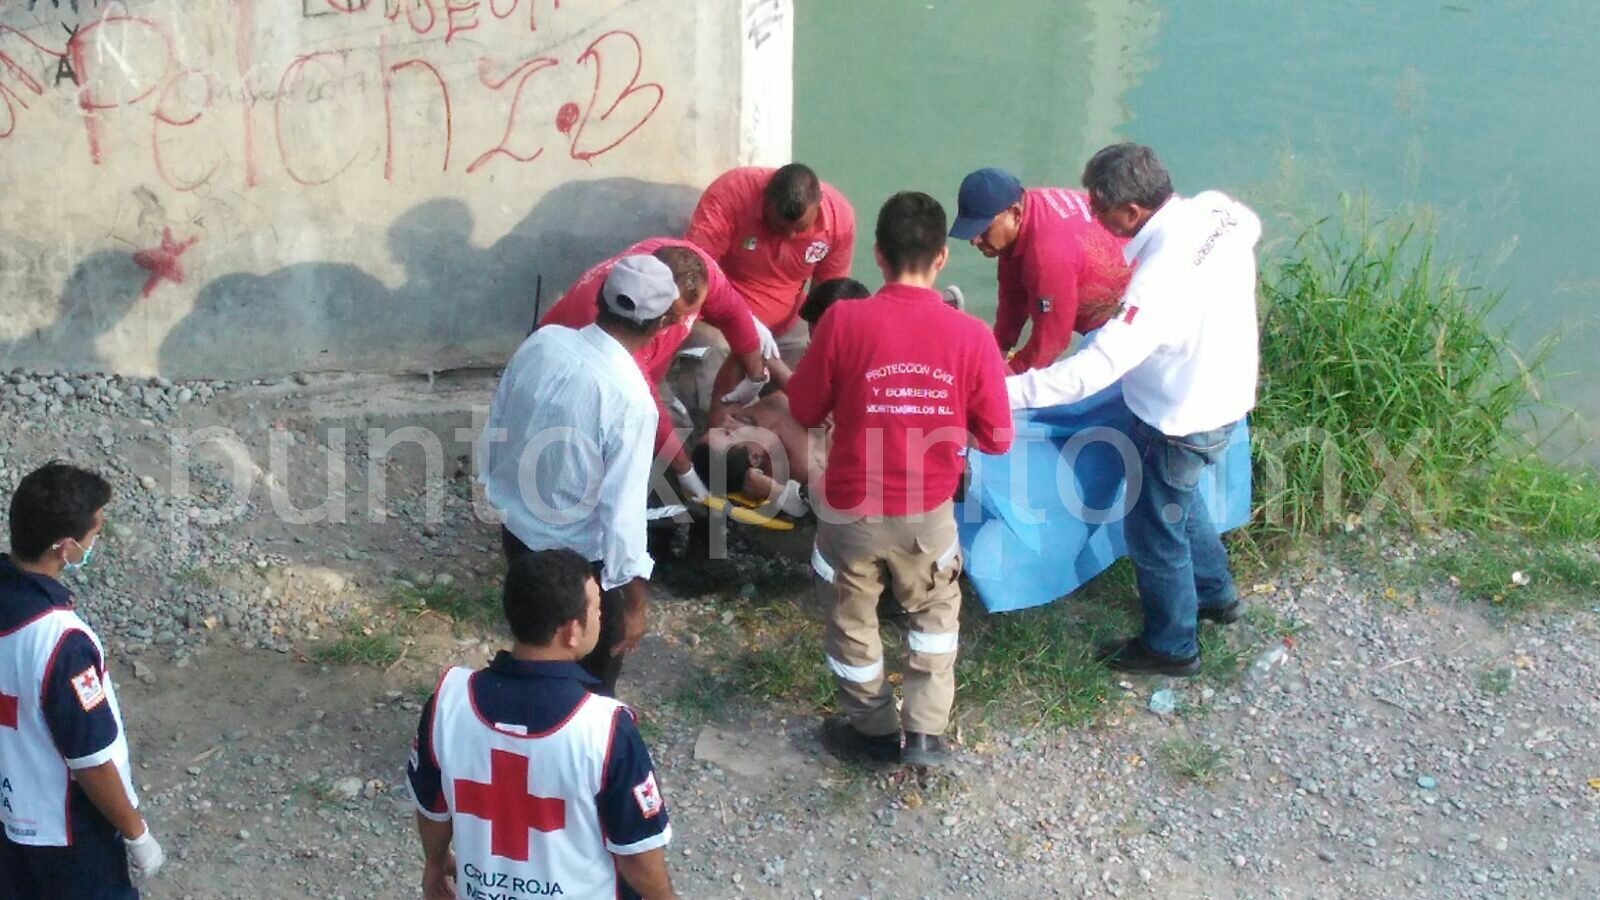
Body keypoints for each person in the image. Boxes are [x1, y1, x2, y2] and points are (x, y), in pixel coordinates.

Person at [1007, 143, 1261, 676]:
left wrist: (1005, 393)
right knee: (1181, 500)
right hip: (1229, 394)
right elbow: (1250, 222)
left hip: (1177, 419)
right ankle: (1217, 596)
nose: (1093, 219)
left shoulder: (1156, 282)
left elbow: (1091, 370)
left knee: (1154, 528)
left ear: (1132, 213)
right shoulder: (1217, 213)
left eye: (1099, 211)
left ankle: (1172, 647)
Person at [786, 192, 1013, 768]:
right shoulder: (971, 337)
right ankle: (926, 732)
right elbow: (997, 437)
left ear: (878, 257)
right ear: (942, 258)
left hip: (849, 514)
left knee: (851, 619)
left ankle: (872, 728)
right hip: (927, 517)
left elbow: (806, 409)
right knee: (935, 615)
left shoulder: (842, 320)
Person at [407, 549, 675, 900]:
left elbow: (432, 807)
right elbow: (637, 856)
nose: (601, 614)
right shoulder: (605, 728)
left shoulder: (449, 701)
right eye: (597, 607)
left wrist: (434, 864)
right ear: (571, 632)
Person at [479, 255, 675, 696]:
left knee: (534, 647)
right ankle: (574, 750)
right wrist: (634, 603)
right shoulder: (631, 400)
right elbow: (623, 515)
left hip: (518, 536)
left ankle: (519, 730)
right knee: (590, 683)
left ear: (601, 297)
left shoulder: (543, 342)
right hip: (577, 567)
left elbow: (498, 422)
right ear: (662, 323)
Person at [0, 462, 164, 898]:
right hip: (64, 835)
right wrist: (135, 832)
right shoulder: (62, 642)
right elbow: (89, 759)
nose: (95, 543)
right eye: (94, 535)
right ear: (66, 547)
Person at [541, 240, 781, 504]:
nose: (680, 323)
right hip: (578, 380)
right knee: (614, 453)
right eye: (674, 316)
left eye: (689, 314)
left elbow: (731, 311)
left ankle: (664, 510)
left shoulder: (695, 267)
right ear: (656, 309)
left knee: (674, 434)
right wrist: (684, 470)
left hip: (641, 365)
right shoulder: (617, 323)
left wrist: (756, 375)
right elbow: (647, 404)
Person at [682, 163, 856, 407]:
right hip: (717, 317)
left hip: (789, 321)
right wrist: (742, 321)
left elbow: (827, 298)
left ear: (818, 205)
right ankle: (707, 438)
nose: (790, 237)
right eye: (778, 227)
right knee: (713, 362)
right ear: (764, 201)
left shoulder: (839, 219)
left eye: (800, 229)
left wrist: (822, 350)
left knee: (820, 374)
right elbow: (696, 271)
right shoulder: (732, 193)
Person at [948, 167, 1135, 374]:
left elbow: (1052, 342)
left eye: (983, 229)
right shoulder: (1025, 210)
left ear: (1015, 214)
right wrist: (996, 350)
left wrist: (1007, 377)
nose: (974, 240)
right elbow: (1013, 296)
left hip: (1126, 319)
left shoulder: (1047, 255)